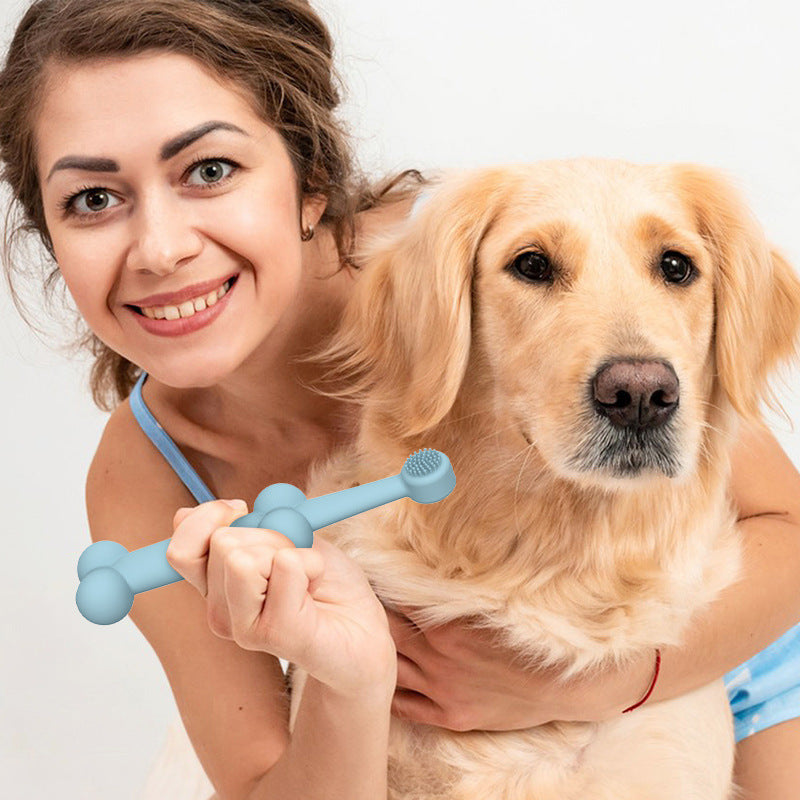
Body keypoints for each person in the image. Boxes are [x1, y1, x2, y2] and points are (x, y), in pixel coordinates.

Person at [1, 1, 799, 798]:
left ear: (313, 182)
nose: (162, 249)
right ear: (49, 233)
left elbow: (783, 526)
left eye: (210, 171)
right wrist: (353, 680)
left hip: (709, 636)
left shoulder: (450, 260)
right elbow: (261, 785)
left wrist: (582, 687)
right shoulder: (143, 476)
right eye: (93, 200)